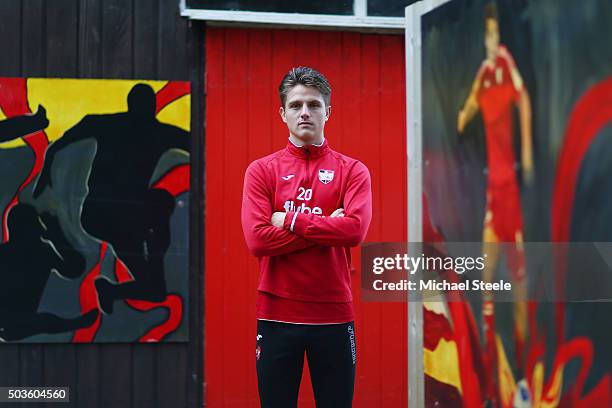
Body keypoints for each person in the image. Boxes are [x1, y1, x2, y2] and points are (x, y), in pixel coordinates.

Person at [241, 66, 372, 408]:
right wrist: (329, 227)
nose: (305, 112)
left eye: (314, 104)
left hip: (333, 316)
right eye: (296, 105)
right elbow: (257, 240)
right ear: (283, 113)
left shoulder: (353, 171)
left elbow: (355, 231)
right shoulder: (261, 170)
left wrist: (288, 220)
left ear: (328, 111)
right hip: (275, 316)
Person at [33, 84, 190, 314]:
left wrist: (47, 168)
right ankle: (152, 258)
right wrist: (46, 168)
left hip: (108, 217)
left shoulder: (115, 124)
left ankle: (111, 291)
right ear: (152, 108)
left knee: (155, 290)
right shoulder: (154, 131)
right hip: (114, 214)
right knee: (161, 200)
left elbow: (64, 140)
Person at [457, 1, 533, 402]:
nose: (490, 42)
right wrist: (463, 114)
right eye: (485, 35)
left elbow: (524, 101)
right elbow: (469, 104)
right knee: (485, 284)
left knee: (519, 289)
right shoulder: (485, 74)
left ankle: (521, 377)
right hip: (493, 195)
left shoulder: (505, 64)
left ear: (498, 36)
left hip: (511, 198)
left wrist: (530, 154)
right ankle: (490, 383)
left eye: (493, 34)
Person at [0, 204, 98, 341]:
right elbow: (74, 269)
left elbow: (74, 269)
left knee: (42, 321)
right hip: (9, 319)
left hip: (23, 321)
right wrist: (55, 236)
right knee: (43, 321)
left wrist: (56, 237)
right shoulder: (9, 253)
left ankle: (72, 324)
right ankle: (73, 324)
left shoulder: (42, 253)